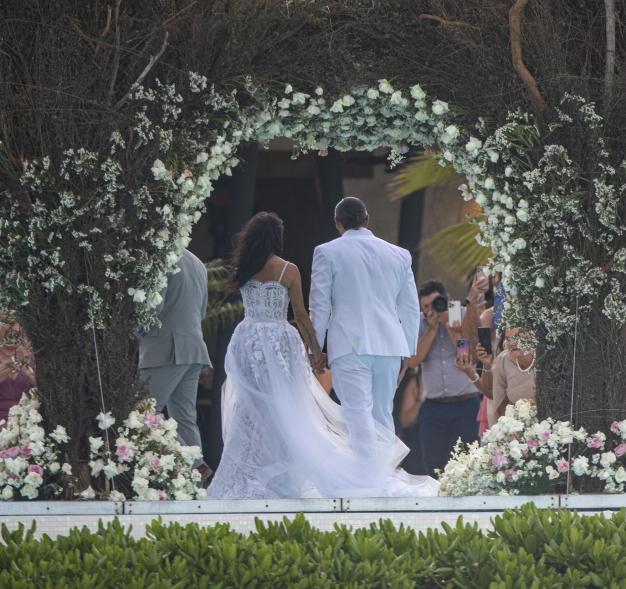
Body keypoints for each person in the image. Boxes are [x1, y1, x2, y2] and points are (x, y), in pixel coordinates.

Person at [207, 211, 438, 499]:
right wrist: (316, 351)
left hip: (247, 340)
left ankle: (246, 472)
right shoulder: (287, 269)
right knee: (289, 409)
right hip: (280, 340)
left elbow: (319, 308)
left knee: (250, 408)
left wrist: (319, 348)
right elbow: (303, 315)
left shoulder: (244, 268)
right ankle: (366, 475)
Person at [310, 197, 420, 445]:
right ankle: (381, 479)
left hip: (348, 346)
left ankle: (367, 480)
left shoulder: (326, 252)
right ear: (367, 219)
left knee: (356, 417)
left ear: (337, 223)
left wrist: (315, 349)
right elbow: (411, 309)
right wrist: (408, 351)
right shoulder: (399, 255)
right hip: (390, 346)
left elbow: (319, 306)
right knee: (382, 417)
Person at [138, 249, 213, 483]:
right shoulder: (198, 262)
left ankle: (196, 465)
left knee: (143, 412)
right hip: (194, 348)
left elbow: (153, 310)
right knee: (185, 419)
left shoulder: (160, 258)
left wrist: (127, 330)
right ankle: (194, 481)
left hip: (164, 349)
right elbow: (201, 311)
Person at [414, 278, 487, 478]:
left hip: (465, 403)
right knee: (433, 464)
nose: (432, 309)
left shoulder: (460, 313)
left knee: (466, 461)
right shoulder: (420, 322)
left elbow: (469, 357)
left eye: (436, 303)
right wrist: (432, 328)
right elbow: (414, 361)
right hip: (433, 405)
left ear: (448, 299)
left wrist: (452, 329)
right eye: (426, 306)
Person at [0, 315, 36, 423]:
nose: (12, 334)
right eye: (7, 329)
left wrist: (28, 374)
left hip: (26, 417)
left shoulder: (31, 355)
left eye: (16, 332)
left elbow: (43, 387)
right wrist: (10, 365)